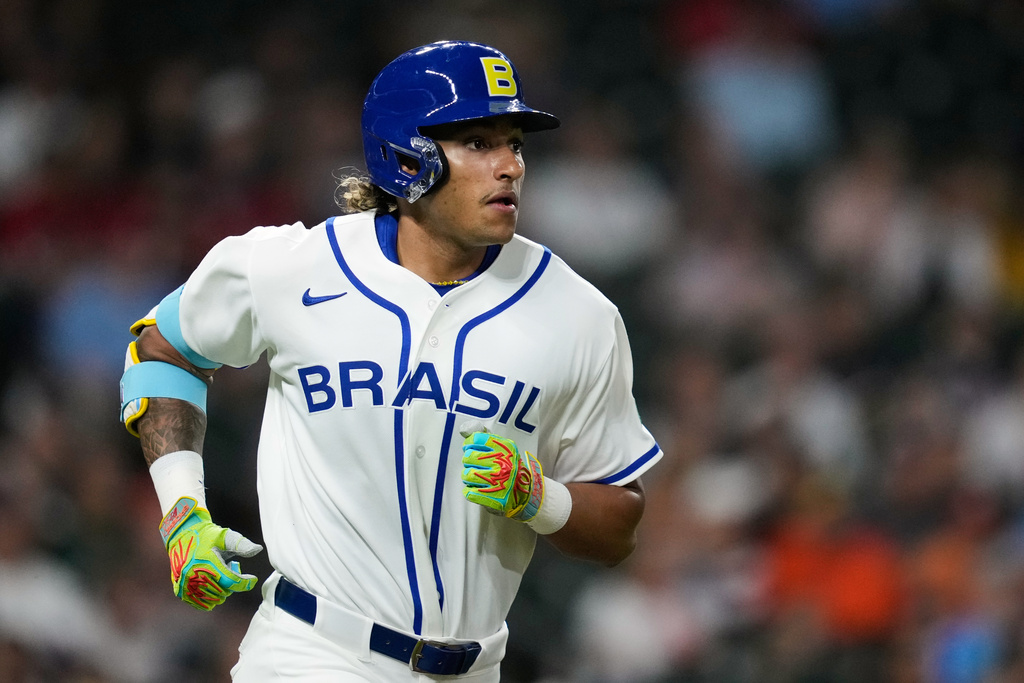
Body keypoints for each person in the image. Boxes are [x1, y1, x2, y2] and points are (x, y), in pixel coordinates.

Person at [119, 40, 662, 681]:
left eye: (515, 144)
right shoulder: (292, 267)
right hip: (312, 653)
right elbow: (161, 351)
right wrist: (182, 510)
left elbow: (620, 527)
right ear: (406, 156)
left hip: (474, 668)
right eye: (479, 143)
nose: (510, 166)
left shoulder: (579, 314)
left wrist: (539, 497)